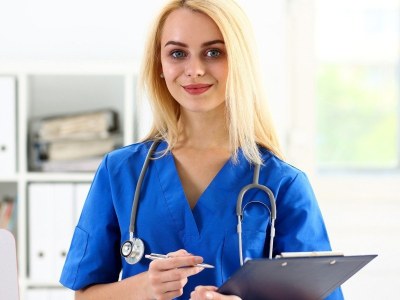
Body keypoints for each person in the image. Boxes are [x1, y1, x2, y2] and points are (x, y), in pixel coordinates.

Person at [60, 0, 344, 299]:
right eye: (177, 53)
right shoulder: (120, 171)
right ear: (160, 65)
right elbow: (84, 296)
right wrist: (143, 287)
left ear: (239, 61)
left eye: (213, 52)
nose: (194, 70)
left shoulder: (282, 183)